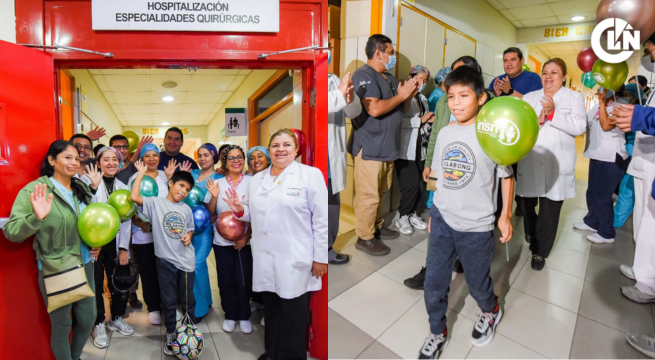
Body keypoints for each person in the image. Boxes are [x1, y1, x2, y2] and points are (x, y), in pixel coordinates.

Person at [418, 66, 514, 359]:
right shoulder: (446, 132)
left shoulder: (491, 134)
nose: (456, 103)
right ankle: (437, 331)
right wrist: (433, 210)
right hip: (444, 219)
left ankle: (490, 309)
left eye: (464, 95)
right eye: (451, 97)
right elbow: (436, 173)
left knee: (476, 282)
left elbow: (506, 176)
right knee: (434, 281)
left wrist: (504, 216)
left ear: (481, 98)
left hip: (477, 226)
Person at [225, 129, 327, 360]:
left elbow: (321, 220)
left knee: (293, 311)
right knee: (271, 307)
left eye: (287, 145)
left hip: (295, 256)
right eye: (275, 145)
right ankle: (272, 352)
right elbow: (253, 213)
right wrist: (241, 210)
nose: (280, 149)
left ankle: (291, 356)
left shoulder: (310, 175)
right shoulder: (258, 178)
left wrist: (320, 257)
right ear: (269, 150)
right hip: (265, 255)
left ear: (296, 149)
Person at [4, 140, 100, 360]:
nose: (74, 162)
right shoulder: (36, 190)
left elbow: (91, 222)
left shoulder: (80, 188)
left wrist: (97, 241)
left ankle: (74, 357)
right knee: (62, 324)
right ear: (52, 160)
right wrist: (36, 218)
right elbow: (11, 232)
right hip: (56, 266)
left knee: (87, 318)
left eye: (77, 158)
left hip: (84, 262)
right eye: (68, 157)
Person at [405, 56, 487, 290]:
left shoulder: (485, 103)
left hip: (470, 173)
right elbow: (436, 135)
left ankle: (461, 259)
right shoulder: (443, 102)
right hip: (440, 168)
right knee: (436, 213)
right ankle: (431, 268)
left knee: (464, 220)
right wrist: (430, 163)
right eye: (453, 74)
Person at [350, 34, 419, 256]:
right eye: (390, 53)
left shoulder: (388, 78)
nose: (393, 57)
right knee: (368, 195)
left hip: (387, 147)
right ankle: (365, 237)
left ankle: (377, 227)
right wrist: (400, 97)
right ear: (378, 53)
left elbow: (401, 107)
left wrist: (408, 94)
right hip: (369, 147)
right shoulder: (363, 75)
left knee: (381, 191)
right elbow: (375, 109)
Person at [516, 58, 586, 271]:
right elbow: (519, 123)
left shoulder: (574, 98)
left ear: (563, 76)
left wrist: (553, 113)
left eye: (553, 72)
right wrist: (535, 121)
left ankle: (540, 252)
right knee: (525, 203)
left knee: (550, 209)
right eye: (545, 72)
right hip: (530, 158)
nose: (548, 77)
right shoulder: (530, 97)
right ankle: (531, 230)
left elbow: (579, 127)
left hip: (558, 161)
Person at [130, 160, 196, 356]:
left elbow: (191, 227)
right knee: (167, 300)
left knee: (187, 300)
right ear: (170, 183)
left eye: (187, 189)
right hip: (164, 261)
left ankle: (188, 334)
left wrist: (189, 235)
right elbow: (134, 196)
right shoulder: (156, 203)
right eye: (181, 185)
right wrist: (141, 173)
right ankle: (170, 333)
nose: (183, 191)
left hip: (186, 261)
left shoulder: (186, 208)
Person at [610, 33, 655, 303]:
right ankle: (643, 269)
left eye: (650, 49)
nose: (648, 54)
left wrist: (640, 116)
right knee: (641, 219)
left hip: (651, 163)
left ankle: (648, 283)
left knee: (650, 223)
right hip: (644, 159)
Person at [82, 147, 136, 348]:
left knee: (121, 281)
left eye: (115, 159)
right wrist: (91, 242)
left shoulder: (123, 186)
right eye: (106, 159)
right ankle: (98, 323)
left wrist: (123, 248)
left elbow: (127, 218)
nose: (111, 162)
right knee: (95, 284)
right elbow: (83, 211)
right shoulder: (86, 182)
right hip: (94, 242)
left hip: (115, 242)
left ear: (120, 163)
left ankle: (116, 317)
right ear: (98, 162)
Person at [574, 85, 641, 243]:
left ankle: (606, 233)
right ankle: (592, 222)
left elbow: (606, 125)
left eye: (605, 88)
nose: (601, 90)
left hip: (612, 157)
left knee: (603, 196)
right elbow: (584, 124)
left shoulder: (621, 107)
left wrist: (603, 102)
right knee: (592, 192)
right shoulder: (597, 106)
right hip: (596, 155)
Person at [127, 143, 184, 325]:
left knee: (168, 272)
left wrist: (169, 178)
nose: (151, 159)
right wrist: (140, 223)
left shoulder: (166, 177)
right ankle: (153, 307)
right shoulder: (134, 178)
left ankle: (169, 306)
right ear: (141, 159)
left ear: (159, 158)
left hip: (166, 233)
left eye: (155, 155)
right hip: (143, 234)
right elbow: (128, 207)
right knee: (148, 271)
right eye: (147, 156)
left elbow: (175, 202)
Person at [205, 145, 254, 333]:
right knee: (225, 279)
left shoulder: (251, 182)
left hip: (244, 241)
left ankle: (244, 315)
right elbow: (211, 213)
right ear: (225, 162)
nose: (236, 161)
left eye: (239, 157)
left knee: (243, 278)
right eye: (231, 158)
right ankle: (230, 314)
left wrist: (246, 236)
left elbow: (256, 214)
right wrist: (215, 198)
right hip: (222, 240)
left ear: (244, 160)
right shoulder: (217, 183)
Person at [329, 65, 361, 264]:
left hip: (332, 155)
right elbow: (315, 105)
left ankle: (326, 249)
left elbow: (354, 111)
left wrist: (348, 99)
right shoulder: (302, 74)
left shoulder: (334, 78)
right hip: (314, 155)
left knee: (332, 205)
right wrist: (338, 96)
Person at [396, 65, 433, 235]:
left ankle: (411, 214)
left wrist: (427, 121)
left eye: (424, 81)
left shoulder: (423, 99)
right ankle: (402, 216)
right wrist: (420, 120)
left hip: (420, 148)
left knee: (417, 184)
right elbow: (397, 122)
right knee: (408, 185)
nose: (422, 83)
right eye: (419, 79)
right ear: (411, 77)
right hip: (406, 148)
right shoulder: (403, 96)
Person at [189, 143, 224, 321]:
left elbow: (214, 210)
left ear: (213, 156)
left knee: (197, 264)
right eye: (199, 155)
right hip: (188, 228)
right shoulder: (192, 174)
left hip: (206, 229)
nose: (202, 159)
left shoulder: (220, 176)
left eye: (206, 155)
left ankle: (200, 308)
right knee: (194, 266)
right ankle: (207, 299)